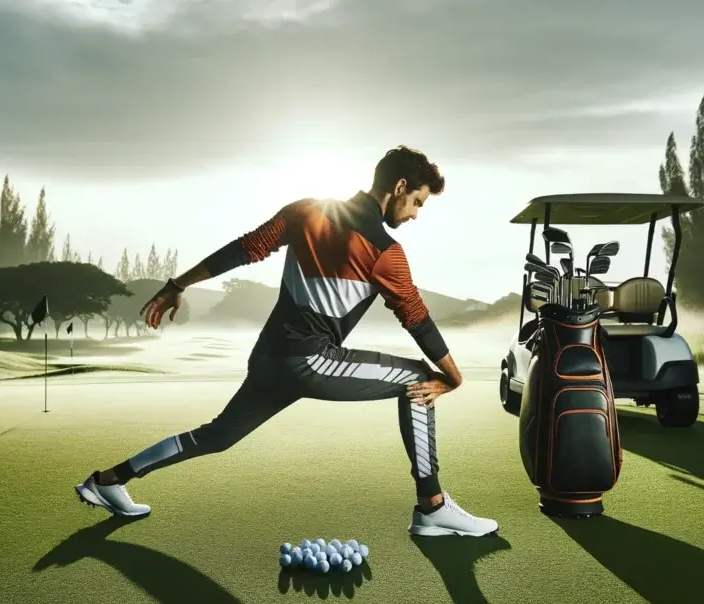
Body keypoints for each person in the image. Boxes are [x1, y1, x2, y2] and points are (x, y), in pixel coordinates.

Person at [75, 146, 499, 537]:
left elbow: (244, 250)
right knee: (417, 378)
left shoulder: (305, 212)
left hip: (268, 359)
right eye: (418, 203)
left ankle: (109, 480)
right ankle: (432, 506)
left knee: (218, 436)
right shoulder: (385, 252)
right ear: (401, 188)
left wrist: (176, 283)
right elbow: (417, 319)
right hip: (311, 361)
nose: (415, 215)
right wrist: (454, 378)